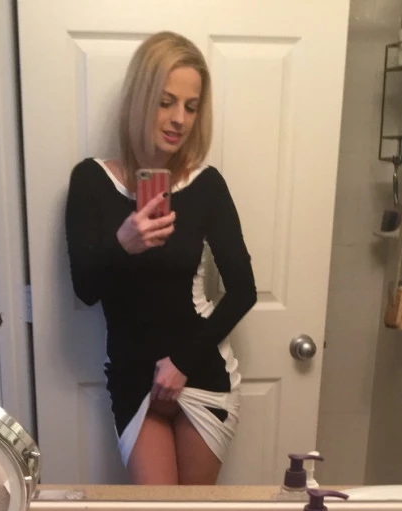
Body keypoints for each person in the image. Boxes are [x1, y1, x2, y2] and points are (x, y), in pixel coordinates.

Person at [65, 31, 257, 485]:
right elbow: (85, 290)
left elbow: (243, 291)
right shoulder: (91, 181)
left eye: (191, 107)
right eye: (166, 102)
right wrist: (122, 244)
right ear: (140, 99)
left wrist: (182, 363)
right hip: (133, 378)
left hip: (201, 371)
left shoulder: (207, 185)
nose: (179, 119)